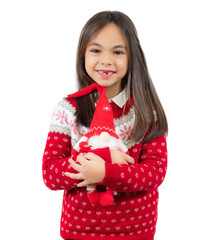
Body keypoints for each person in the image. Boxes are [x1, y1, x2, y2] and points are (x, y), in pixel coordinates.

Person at [42, 11, 168, 240]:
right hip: (81, 231)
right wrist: (106, 156)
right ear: (83, 54)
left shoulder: (145, 111)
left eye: (118, 52)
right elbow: (51, 174)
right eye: (96, 50)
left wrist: (105, 172)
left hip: (135, 231)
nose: (106, 60)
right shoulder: (67, 109)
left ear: (132, 58)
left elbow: (154, 173)